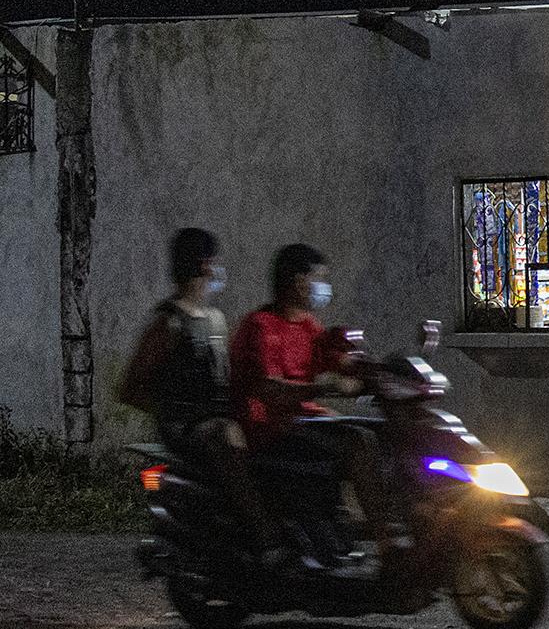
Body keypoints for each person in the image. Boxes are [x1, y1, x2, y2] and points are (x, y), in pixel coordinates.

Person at [119, 228, 294, 568]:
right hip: (189, 427)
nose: (219, 272)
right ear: (203, 265)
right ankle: (266, 537)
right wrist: (175, 411)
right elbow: (130, 388)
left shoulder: (216, 319)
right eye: (216, 264)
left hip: (220, 416)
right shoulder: (168, 324)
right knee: (224, 434)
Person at [229, 244, 396, 569]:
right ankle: (387, 544)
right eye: (319, 279)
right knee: (358, 442)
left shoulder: (308, 325)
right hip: (268, 429)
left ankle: (343, 526)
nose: (324, 288)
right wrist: (323, 386)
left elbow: (339, 360)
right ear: (298, 281)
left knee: (378, 433)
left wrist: (379, 373)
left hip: (302, 422)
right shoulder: (260, 327)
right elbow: (269, 389)